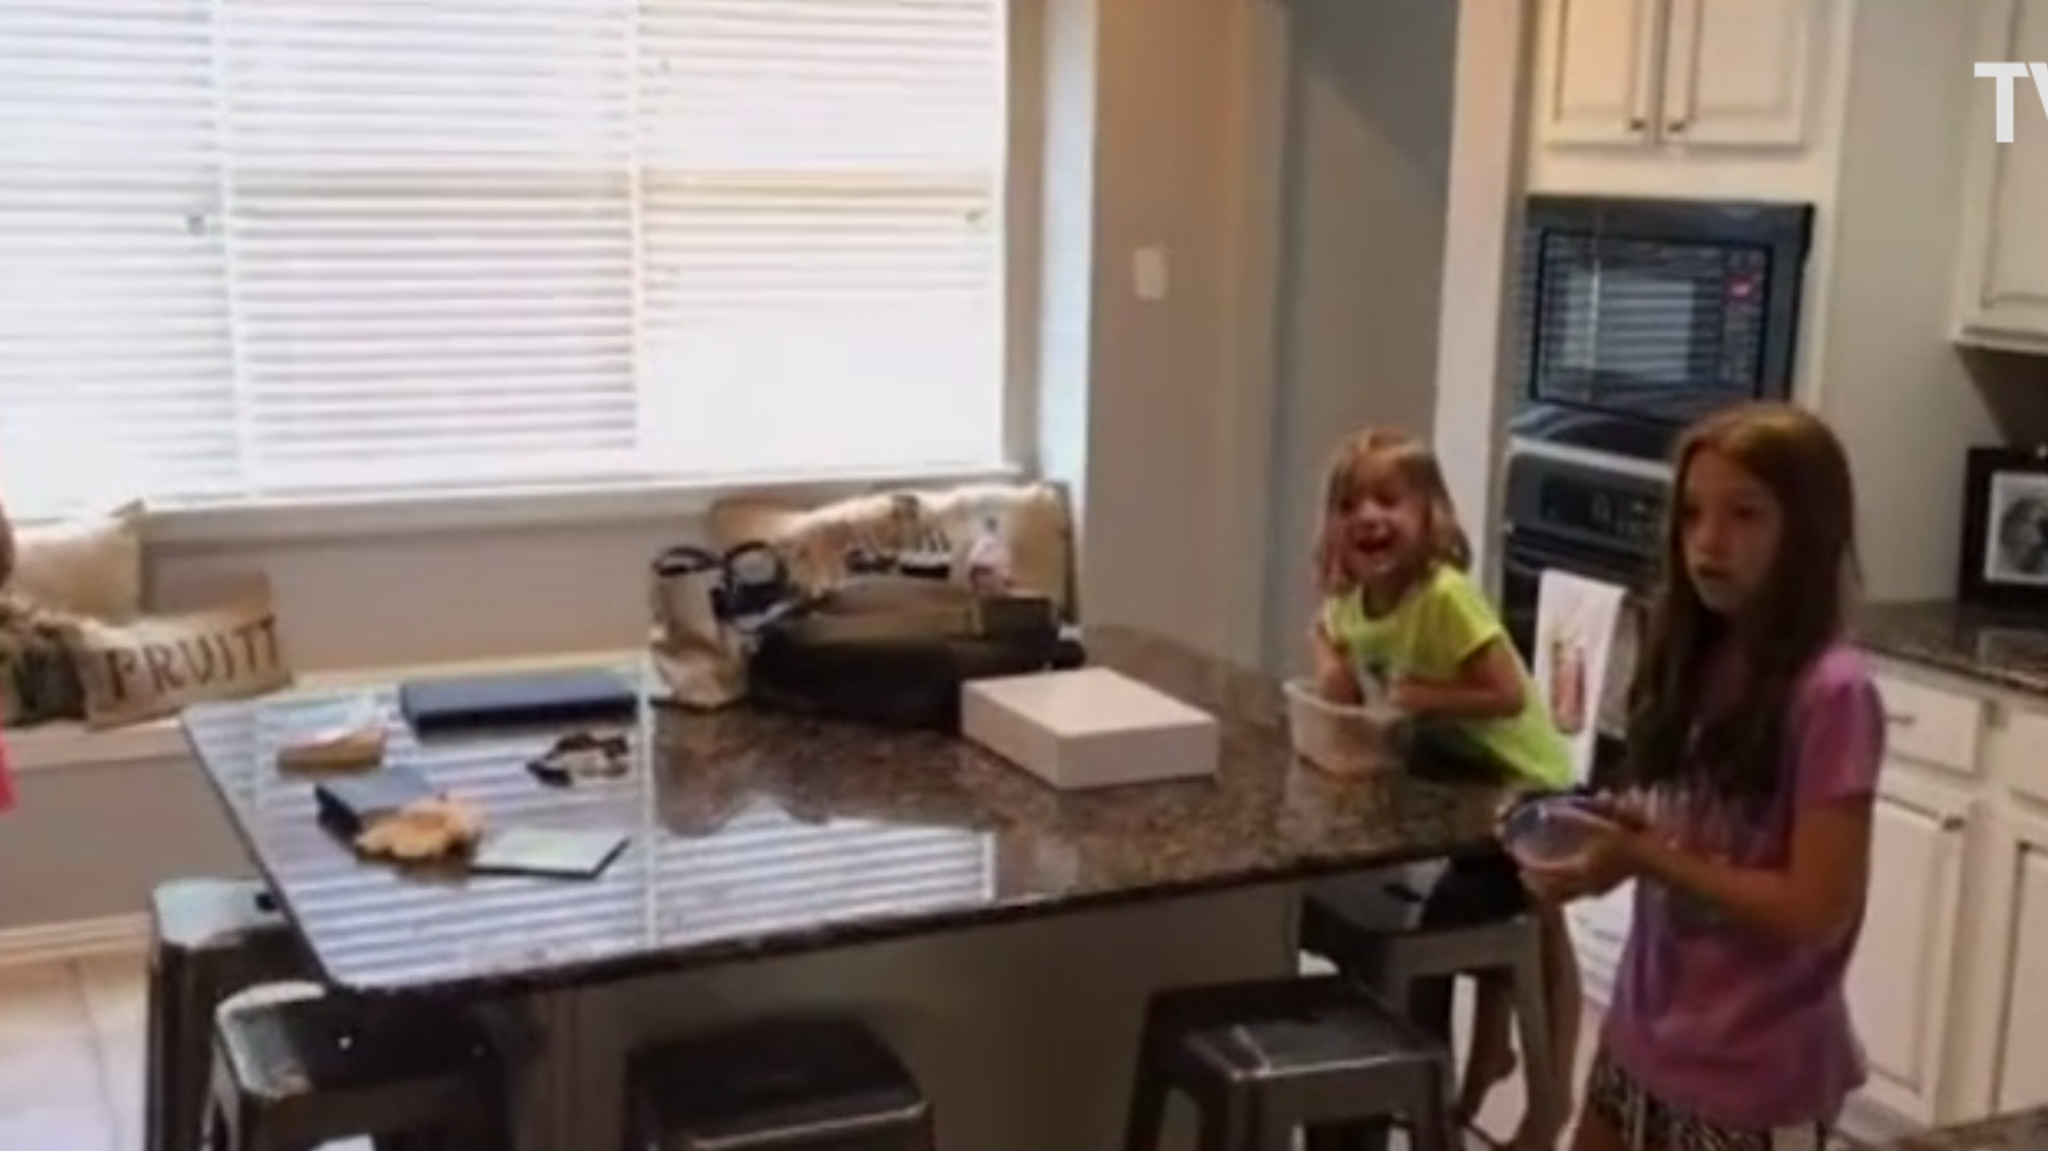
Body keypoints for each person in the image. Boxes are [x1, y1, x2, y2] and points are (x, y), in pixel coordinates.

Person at [1521, 402, 1881, 1151]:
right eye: (1692, 514)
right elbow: (1708, 835)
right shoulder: (1700, 655)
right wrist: (1623, 834)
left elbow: (1816, 906)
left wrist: (1645, 857)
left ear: (1808, 531)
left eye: (1744, 514)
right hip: (1645, 1032)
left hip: (1755, 1073)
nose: (1709, 541)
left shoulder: (1833, 692)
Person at [1309, 426, 1581, 1151]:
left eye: (1388, 499)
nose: (1368, 516)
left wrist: (1421, 696)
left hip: (1531, 782)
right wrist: (1331, 661)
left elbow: (1505, 693)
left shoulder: (1445, 597)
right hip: (1465, 784)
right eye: (1349, 503)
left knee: (1523, 927)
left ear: (1430, 515)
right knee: (1468, 912)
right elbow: (1332, 642)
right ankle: (1481, 1059)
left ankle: (1545, 1104)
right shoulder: (1354, 604)